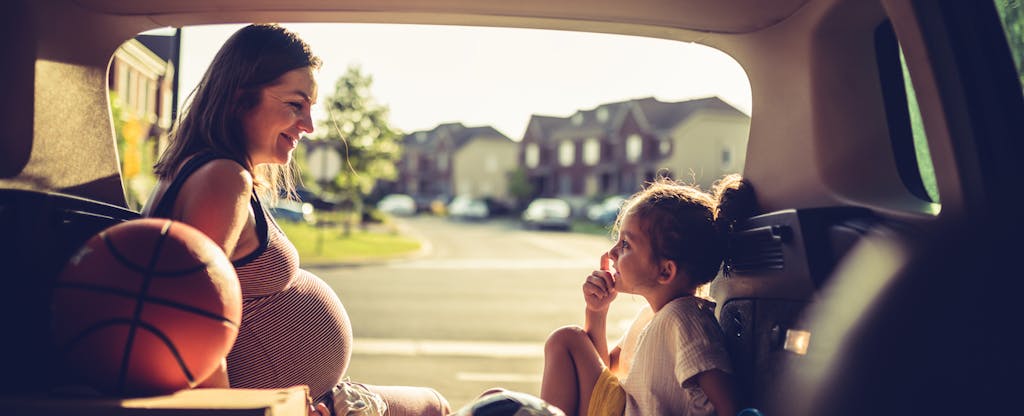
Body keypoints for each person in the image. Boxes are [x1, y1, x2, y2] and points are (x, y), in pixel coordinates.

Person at [142, 24, 449, 416]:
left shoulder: (198, 170)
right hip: (288, 406)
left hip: (307, 398)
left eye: (310, 108)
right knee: (435, 406)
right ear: (241, 97)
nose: (309, 126)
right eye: (295, 104)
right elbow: (194, 325)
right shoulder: (222, 179)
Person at [539, 174, 755, 416]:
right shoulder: (650, 317)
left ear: (665, 270)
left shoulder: (685, 318)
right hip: (619, 409)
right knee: (495, 398)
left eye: (626, 245)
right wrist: (597, 312)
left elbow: (729, 406)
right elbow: (608, 369)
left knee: (567, 339)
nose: (611, 253)